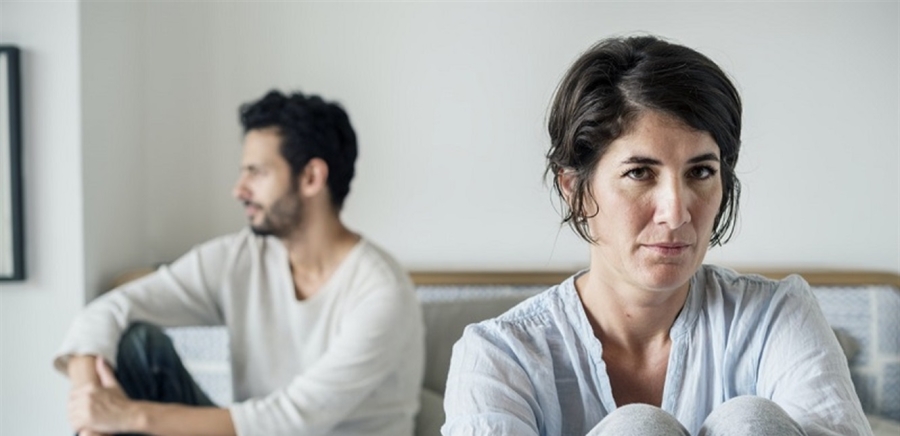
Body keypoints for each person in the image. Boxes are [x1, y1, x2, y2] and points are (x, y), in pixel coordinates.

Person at [442, 35, 872, 436]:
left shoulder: (776, 316)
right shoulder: (500, 355)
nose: (677, 212)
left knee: (749, 422)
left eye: (700, 172)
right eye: (639, 173)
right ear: (575, 189)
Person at [55, 90, 425, 436]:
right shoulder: (241, 258)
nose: (239, 189)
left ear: (311, 177)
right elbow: (107, 310)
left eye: (256, 172)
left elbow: (291, 419)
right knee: (137, 346)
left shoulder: (381, 292)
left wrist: (130, 416)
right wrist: (92, 410)